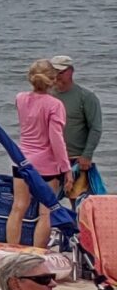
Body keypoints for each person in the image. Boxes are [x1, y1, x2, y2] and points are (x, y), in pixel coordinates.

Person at [11, 59, 71, 249]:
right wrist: (66, 168)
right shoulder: (55, 105)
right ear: (53, 80)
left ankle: (12, 250)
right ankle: (38, 252)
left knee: (18, 207)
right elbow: (56, 139)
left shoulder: (20, 98)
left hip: (21, 159)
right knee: (46, 212)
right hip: (45, 164)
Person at [52, 56, 103, 198]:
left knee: (80, 203)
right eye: (54, 71)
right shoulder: (47, 96)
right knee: (46, 203)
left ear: (71, 71)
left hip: (77, 159)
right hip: (50, 158)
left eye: (61, 72)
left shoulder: (86, 97)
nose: (57, 75)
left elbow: (95, 128)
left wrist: (87, 155)